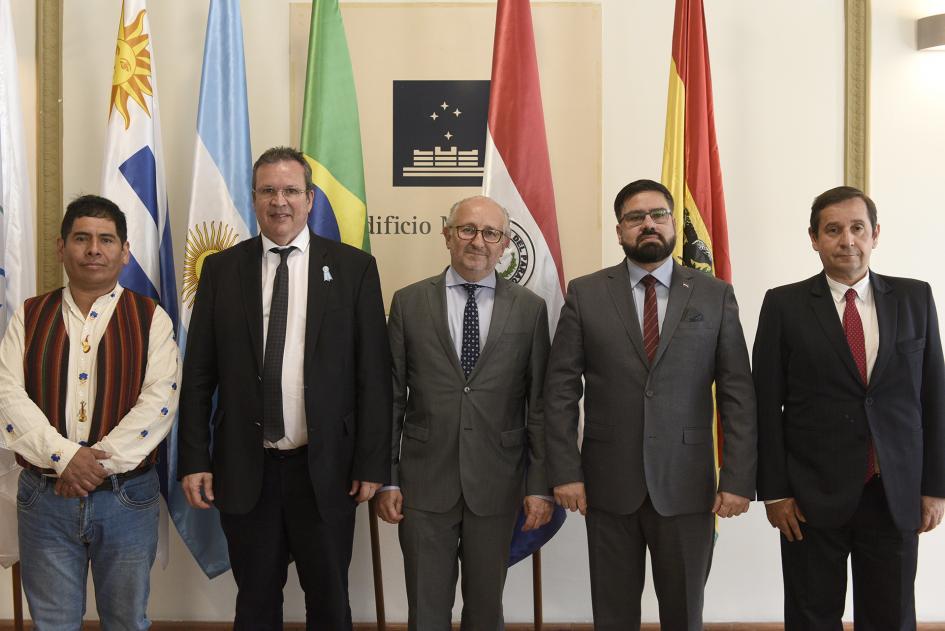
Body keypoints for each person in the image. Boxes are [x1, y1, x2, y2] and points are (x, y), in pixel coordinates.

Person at [177, 146, 392, 630]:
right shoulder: (223, 270)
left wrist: (371, 464)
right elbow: (198, 377)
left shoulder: (354, 269)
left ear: (310, 198)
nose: (280, 202)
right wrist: (194, 459)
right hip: (246, 468)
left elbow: (374, 377)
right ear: (253, 198)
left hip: (326, 470)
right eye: (268, 191)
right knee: (254, 604)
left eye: (291, 191)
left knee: (330, 603)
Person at [543, 179, 757, 630]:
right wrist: (565, 471)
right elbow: (560, 389)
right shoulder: (586, 293)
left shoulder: (714, 294)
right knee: (613, 615)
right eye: (635, 218)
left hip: (687, 485)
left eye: (658, 215)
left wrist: (738, 477)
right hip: (606, 484)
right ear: (619, 231)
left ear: (673, 224)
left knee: (683, 614)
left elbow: (738, 393)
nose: (649, 225)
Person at [753, 185, 945, 630]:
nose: (847, 240)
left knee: (891, 616)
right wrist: (776, 491)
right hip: (809, 496)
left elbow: (933, 396)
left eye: (857, 228)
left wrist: (935, 486)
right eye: (833, 230)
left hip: (894, 491)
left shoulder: (915, 298)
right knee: (811, 615)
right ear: (814, 238)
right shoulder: (784, 305)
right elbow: (766, 402)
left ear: (875, 234)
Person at [0, 194, 180, 630]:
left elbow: (159, 402)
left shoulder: (151, 317)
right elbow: (8, 395)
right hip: (44, 498)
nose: (94, 249)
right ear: (62, 248)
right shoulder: (28, 314)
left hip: (127, 497)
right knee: (54, 623)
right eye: (81, 238)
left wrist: (91, 467)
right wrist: (65, 458)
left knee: (125, 620)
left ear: (125, 251)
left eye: (106, 239)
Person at [376, 195, 552, 630]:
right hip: (423, 483)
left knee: (486, 609)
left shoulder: (530, 310)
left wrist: (540, 485)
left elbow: (541, 406)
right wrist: (388, 477)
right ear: (448, 236)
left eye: (491, 233)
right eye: (468, 230)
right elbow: (392, 397)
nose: (479, 242)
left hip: (498, 482)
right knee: (426, 608)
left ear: (506, 243)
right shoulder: (409, 302)